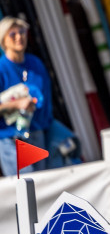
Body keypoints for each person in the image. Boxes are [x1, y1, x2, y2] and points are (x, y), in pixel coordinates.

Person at [0, 16, 64, 176]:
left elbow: (45, 99)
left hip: (37, 133)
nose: (19, 37)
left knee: (42, 186)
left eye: (22, 32)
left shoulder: (36, 64)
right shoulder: (2, 69)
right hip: (11, 139)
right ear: (3, 41)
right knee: (24, 188)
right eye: (12, 34)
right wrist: (16, 104)